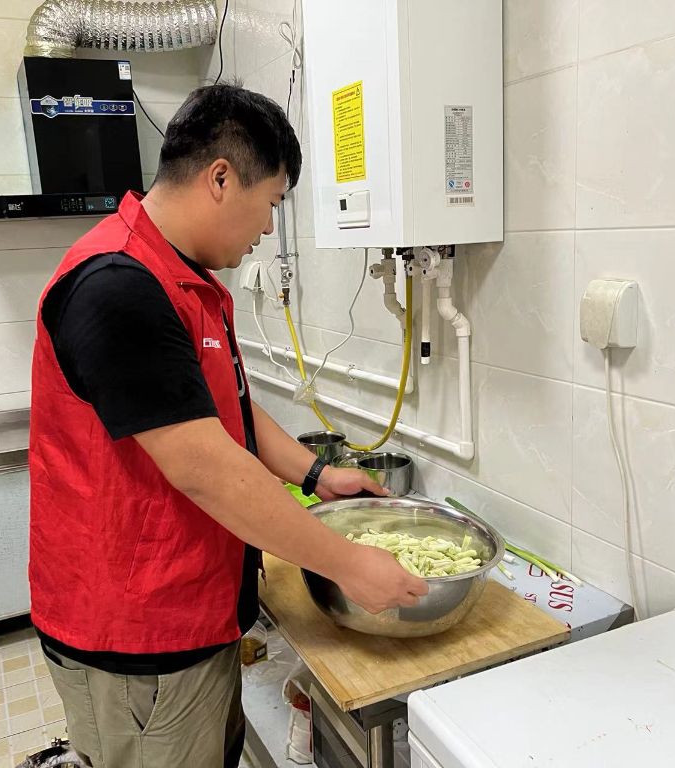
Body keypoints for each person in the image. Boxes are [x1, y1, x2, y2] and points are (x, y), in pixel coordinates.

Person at [27, 83, 428, 768]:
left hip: (191, 610)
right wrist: (349, 565)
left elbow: (226, 411)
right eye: (271, 203)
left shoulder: (179, 277)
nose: (268, 229)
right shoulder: (118, 286)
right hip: (137, 635)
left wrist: (317, 474)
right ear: (220, 178)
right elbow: (206, 469)